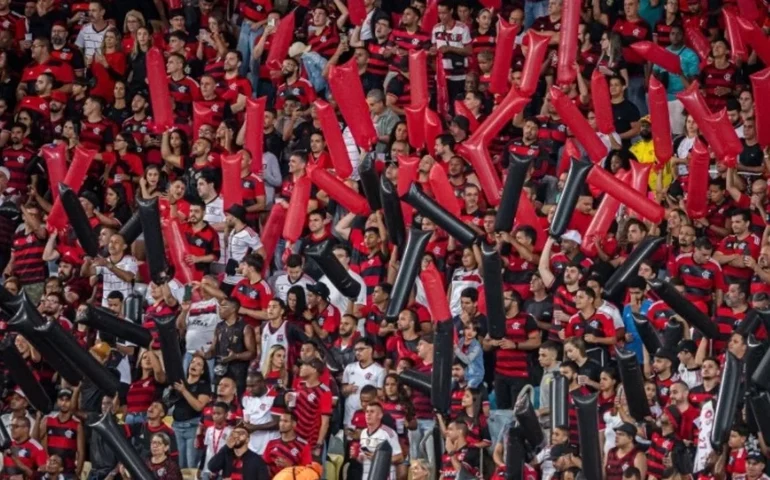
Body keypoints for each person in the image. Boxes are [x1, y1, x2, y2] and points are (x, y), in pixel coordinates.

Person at [358, 402, 404, 479]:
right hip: (366, 476)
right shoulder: (363, 433)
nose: (368, 414)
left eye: (372, 412)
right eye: (367, 411)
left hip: (384, 476)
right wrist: (360, 457)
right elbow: (362, 457)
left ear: (380, 415)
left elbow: (400, 457)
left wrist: (378, 458)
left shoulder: (388, 433)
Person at [262, 412, 313, 477]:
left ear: (294, 424)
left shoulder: (303, 445)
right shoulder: (271, 443)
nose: (282, 424)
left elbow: (307, 472)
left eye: (285, 421)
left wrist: (289, 466)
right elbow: (263, 465)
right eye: (280, 421)